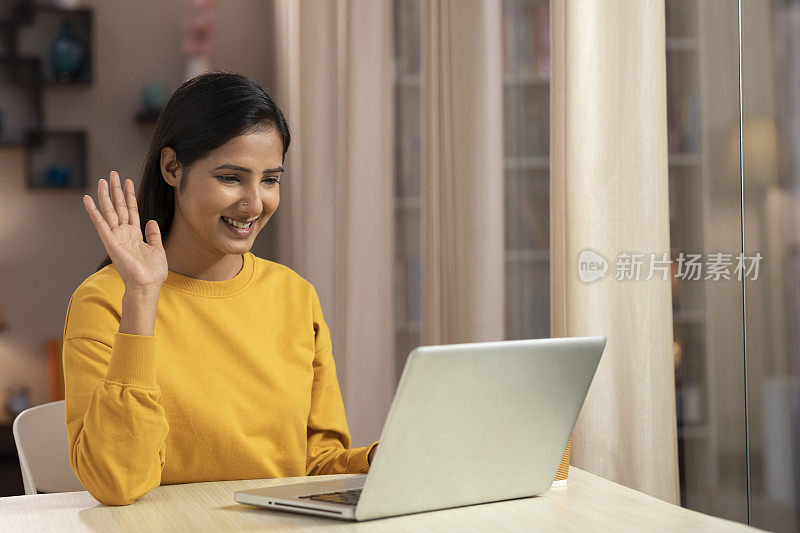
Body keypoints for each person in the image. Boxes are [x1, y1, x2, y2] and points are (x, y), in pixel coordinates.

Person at [63, 71, 379, 506]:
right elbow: (116, 483)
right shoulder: (104, 300)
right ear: (173, 168)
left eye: (270, 180)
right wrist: (142, 297)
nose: (254, 203)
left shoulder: (295, 296)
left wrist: (390, 459)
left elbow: (315, 465)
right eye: (232, 177)